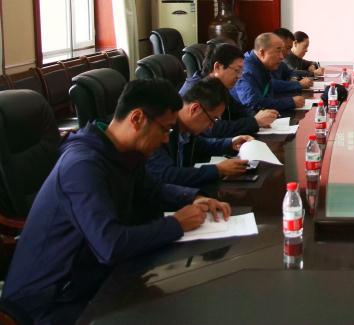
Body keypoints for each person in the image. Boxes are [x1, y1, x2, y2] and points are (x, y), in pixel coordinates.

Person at [0, 79, 230, 325]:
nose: (166, 139)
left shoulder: (122, 152)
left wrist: (194, 197)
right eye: (164, 129)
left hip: (93, 277)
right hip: (52, 303)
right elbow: (110, 245)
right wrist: (176, 224)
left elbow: (153, 190)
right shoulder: (82, 165)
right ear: (137, 118)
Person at [147, 77, 253, 188]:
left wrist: (230, 143)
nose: (212, 125)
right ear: (195, 109)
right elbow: (166, 175)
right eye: (213, 119)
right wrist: (218, 170)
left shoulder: (185, 129)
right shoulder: (161, 130)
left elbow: (201, 144)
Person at [180, 43, 278, 136]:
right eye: (237, 70)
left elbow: (239, 110)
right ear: (217, 67)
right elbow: (212, 129)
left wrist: (257, 116)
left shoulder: (218, 86)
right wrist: (255, 122)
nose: (239, 76)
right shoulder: (197, 89)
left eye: (241, 72)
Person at [233, 32, 305, 113]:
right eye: (278, 51)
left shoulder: (264, 65)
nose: (282, 57)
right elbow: (254, 103)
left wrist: (292, 99)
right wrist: (290, 102)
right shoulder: (246, 69)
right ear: (262, 52)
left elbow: (269, 96)